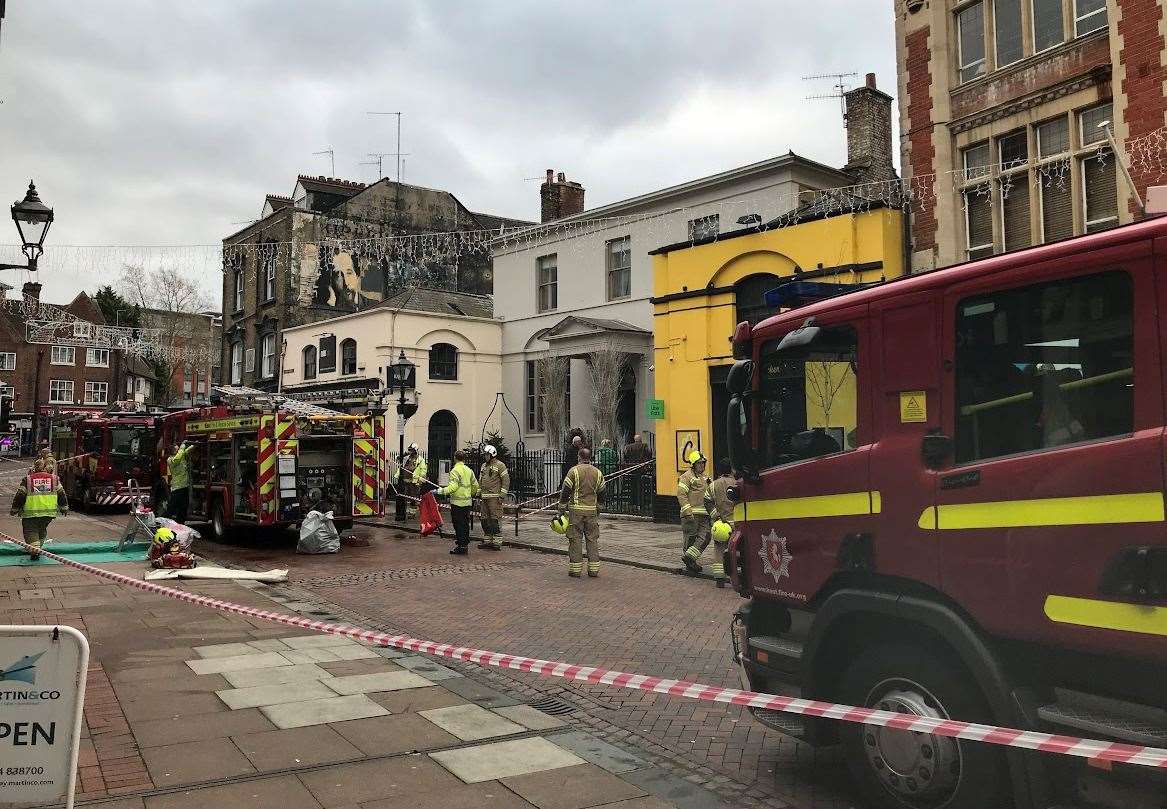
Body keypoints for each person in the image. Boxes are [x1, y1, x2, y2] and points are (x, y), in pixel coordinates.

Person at [559, 447, 605, 578]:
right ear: (589, 458)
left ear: (579, 457)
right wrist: (599, 507)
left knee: (575, 539)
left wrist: (561, 508)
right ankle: (594, 570)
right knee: (592, 539)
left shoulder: (573, 471)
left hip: (576, 512)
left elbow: (565, 492)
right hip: (592, 512)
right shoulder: (598, 473)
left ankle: (575, 570)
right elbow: (602, 493)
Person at [10, 458, 68, 560]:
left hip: (31, 513)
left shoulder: (28, 480)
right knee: (42, 530)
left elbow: (20, 495)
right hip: (49, 513)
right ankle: (37, 548)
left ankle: (35, 551)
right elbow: (61, 494)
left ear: (34, 468)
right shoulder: (54, 479)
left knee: (30, 531)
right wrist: (64, 508)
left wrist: (15, 509)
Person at [677, 450, 712, 574]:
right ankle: (690, 563)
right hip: (691, 515)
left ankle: (690, 558)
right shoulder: (686, 477)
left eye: (703, 463)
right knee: (690, 538)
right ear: (693, 464)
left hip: (705, 515)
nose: (702, 465)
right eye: (699, 463)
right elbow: (681, 495)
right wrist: (687, 511)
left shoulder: (706, 477)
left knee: (706, 536)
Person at [438, 450, 479, 555]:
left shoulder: (455, 471)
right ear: (464, 459)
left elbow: (453, 487)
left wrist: (441, 491)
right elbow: (475, 485)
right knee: (465, 524)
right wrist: (471, 494)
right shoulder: (469, 470)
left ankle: (461, 546)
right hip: (467, 502)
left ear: (455, 458)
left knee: (458, 525)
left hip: (457, 503)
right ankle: (464, 544)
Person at [708, 459, 737, 588]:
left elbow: (707, 501)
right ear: (731, 469)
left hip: (721, 524)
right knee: (736, 551)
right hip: (737, 524)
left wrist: (716, 515)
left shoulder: (713, 485)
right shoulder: (737, 483)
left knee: (719, 550)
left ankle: (720, 579)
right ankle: (736, 577)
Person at [477, 444, 509, 551]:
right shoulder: (483, 466)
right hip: (484, 497)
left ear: (492, 454)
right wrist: (478, 493)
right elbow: (480, 480)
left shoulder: (500, 465)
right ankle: (487, 541)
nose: (485, 457)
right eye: (485, 455)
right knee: (484, 520)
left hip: (494, 497)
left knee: (495, 519)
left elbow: (506, 481)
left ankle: (497, 542)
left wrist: (502, 495)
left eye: (486, 455)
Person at [166, 441, 194, 524]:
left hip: (184, 487)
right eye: (177, 450)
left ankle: (181, 524)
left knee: (184, 507)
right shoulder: (171, 460)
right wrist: (182, 446)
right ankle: (165, 524)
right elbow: (178, 457)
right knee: (172, 508)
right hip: (177, 488)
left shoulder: (180, 456)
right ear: (173, 451)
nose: (178, 451)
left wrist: (193, 445)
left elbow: (185, 452)